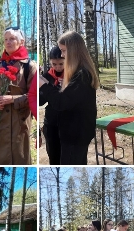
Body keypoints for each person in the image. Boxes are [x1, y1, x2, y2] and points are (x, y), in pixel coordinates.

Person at [38, 30, 99, 165]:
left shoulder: (82, 75)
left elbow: (61, 102)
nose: (62, 55)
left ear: (74, 50)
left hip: (76, 135)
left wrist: (44, 85)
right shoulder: (79, 72)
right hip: (74, 132)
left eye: (64, 51)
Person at [0, 27, 36, 165]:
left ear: (21, 42)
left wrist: (12, 100)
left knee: (19, 160)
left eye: (12, 39)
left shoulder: (29, 66)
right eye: (6, 39)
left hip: (18, 125)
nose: (8, 42)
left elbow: (34, 96)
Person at [40, 46, 65, 164]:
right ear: (50, 62)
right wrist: (45, 88)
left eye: (61, 64)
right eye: (54, 64)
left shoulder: (73, 76)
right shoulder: (46, 77)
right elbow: (40, 102)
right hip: (51, 123)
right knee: (53, 156)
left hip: (67, 123)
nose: (58, 67)